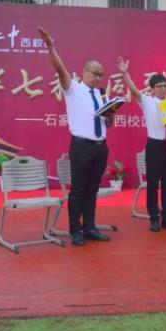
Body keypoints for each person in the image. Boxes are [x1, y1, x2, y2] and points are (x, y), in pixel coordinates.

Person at [37, 27, 114, 246]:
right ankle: (75, 229)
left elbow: (106, 123)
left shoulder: (101, 94)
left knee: (92, 189)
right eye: (94, 73)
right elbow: (60, 69)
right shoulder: (73, 88)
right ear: (84, 71)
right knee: (78, 189)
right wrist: (51, 47)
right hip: (81, 147)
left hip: (100, 147)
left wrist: (111, 117)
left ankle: (89, 227)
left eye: (100, 74)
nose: (97, 77)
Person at [118, 57, 166, 232]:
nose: (162, 88)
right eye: (159, 86)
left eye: (165, 85)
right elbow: (133, 90)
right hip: (154, 146)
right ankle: (154, 218)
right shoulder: (147, 101)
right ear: (153, 89)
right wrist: (125, 73)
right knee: (153, 184)